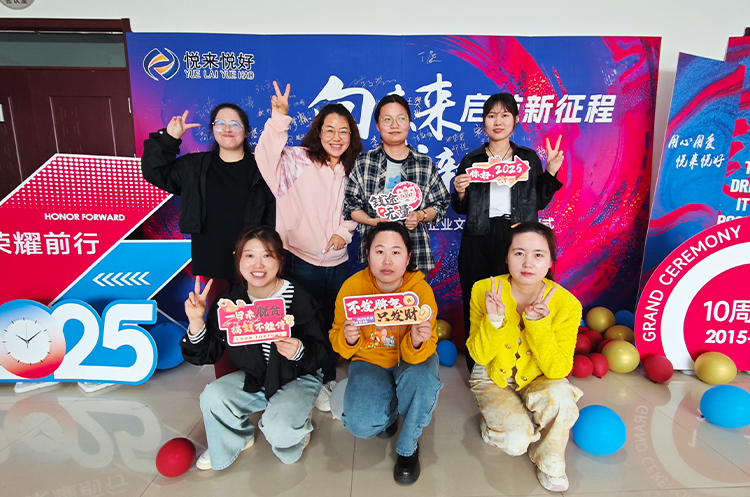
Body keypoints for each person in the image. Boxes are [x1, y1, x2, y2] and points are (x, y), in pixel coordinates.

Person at [181, 227, 328, 470]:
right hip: (256, 376)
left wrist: (299, 351)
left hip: (298, 377)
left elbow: (322, 352)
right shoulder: (230, 302)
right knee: (213, 396)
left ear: (280, 259)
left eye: (267, 255)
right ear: (238, 260)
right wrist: (196, 321)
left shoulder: (299, 298)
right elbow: (209, 352)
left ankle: (297, 426)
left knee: (280, 432)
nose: (258, 264)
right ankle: (238, 438)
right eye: (249, 255)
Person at [255, 82, 362, 412]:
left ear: (351, 136)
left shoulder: (354, 167)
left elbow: (360, 205)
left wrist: (344, 231)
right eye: (329, 129)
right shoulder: (296, 159)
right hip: (300, 259)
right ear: (318, 131)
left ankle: (326, 376)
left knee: (331, 321)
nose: (336, 137)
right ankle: (305, 378)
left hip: (339, 262)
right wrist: (279, 118)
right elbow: (265, 158)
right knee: (302, 321)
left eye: (343, 131)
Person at [451, 93, 564, 372]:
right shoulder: (472, 159)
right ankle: (478, 368)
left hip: (517, 238)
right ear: (484, 122)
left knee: (516, 300)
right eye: (491, 116)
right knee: (476, 300)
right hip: (478, 236)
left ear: (515, 120)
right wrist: (461, 191)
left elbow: (538, 202)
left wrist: (550, 172)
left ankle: (514, 367)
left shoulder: (527, 158)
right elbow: (460, 207)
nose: (497, 121)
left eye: (504, 115)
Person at [466, 222, 582, 492]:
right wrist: (494, 321)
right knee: (516, 441)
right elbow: (479, 355)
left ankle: (549, 462)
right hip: (492, 374)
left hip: (539, 375)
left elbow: (558, 371)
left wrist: (538, 326)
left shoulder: (567, 304)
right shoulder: (484, 289)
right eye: (519, 253)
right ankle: (495, 424)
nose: (528, 263)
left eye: (538, 255)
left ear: (550, 261)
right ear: (506, 257)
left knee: (563, 399)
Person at [329, 222, 442, 485]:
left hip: (409, 360)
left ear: (408, 257)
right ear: (367, 255)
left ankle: (408, 447)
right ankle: (389, 413)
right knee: (360, 423)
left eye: (396, 252)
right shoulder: (352, 288)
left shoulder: (420, 291)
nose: (387, 261)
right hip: (369, 360)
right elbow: (337, 339)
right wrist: (348, 338)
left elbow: (426, 347)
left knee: (423, 378)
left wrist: (416, 341)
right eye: (379, 251)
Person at [141, 103, 275, 298]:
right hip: (211, 259)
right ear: (212, 130)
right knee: (218, 312)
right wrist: (170, 138)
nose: (227, 129)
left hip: (254, 258)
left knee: (255, 314)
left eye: (235, 124)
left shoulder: (262, 169)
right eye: (220, 123)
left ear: (246, 131)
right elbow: (154, 171)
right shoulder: (194, 167)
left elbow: (273, 214)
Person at [343, 94, 450, 273]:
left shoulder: (424, 163)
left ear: (409, 122)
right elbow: (350, 206)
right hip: (376, 257)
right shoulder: (364, 163)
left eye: (401, 119)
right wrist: (371, 221)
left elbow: (441, 203)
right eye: (387, 119)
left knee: (414, 293)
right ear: (377, 125)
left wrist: (421, 215)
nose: (394, 125)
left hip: (416, 254)